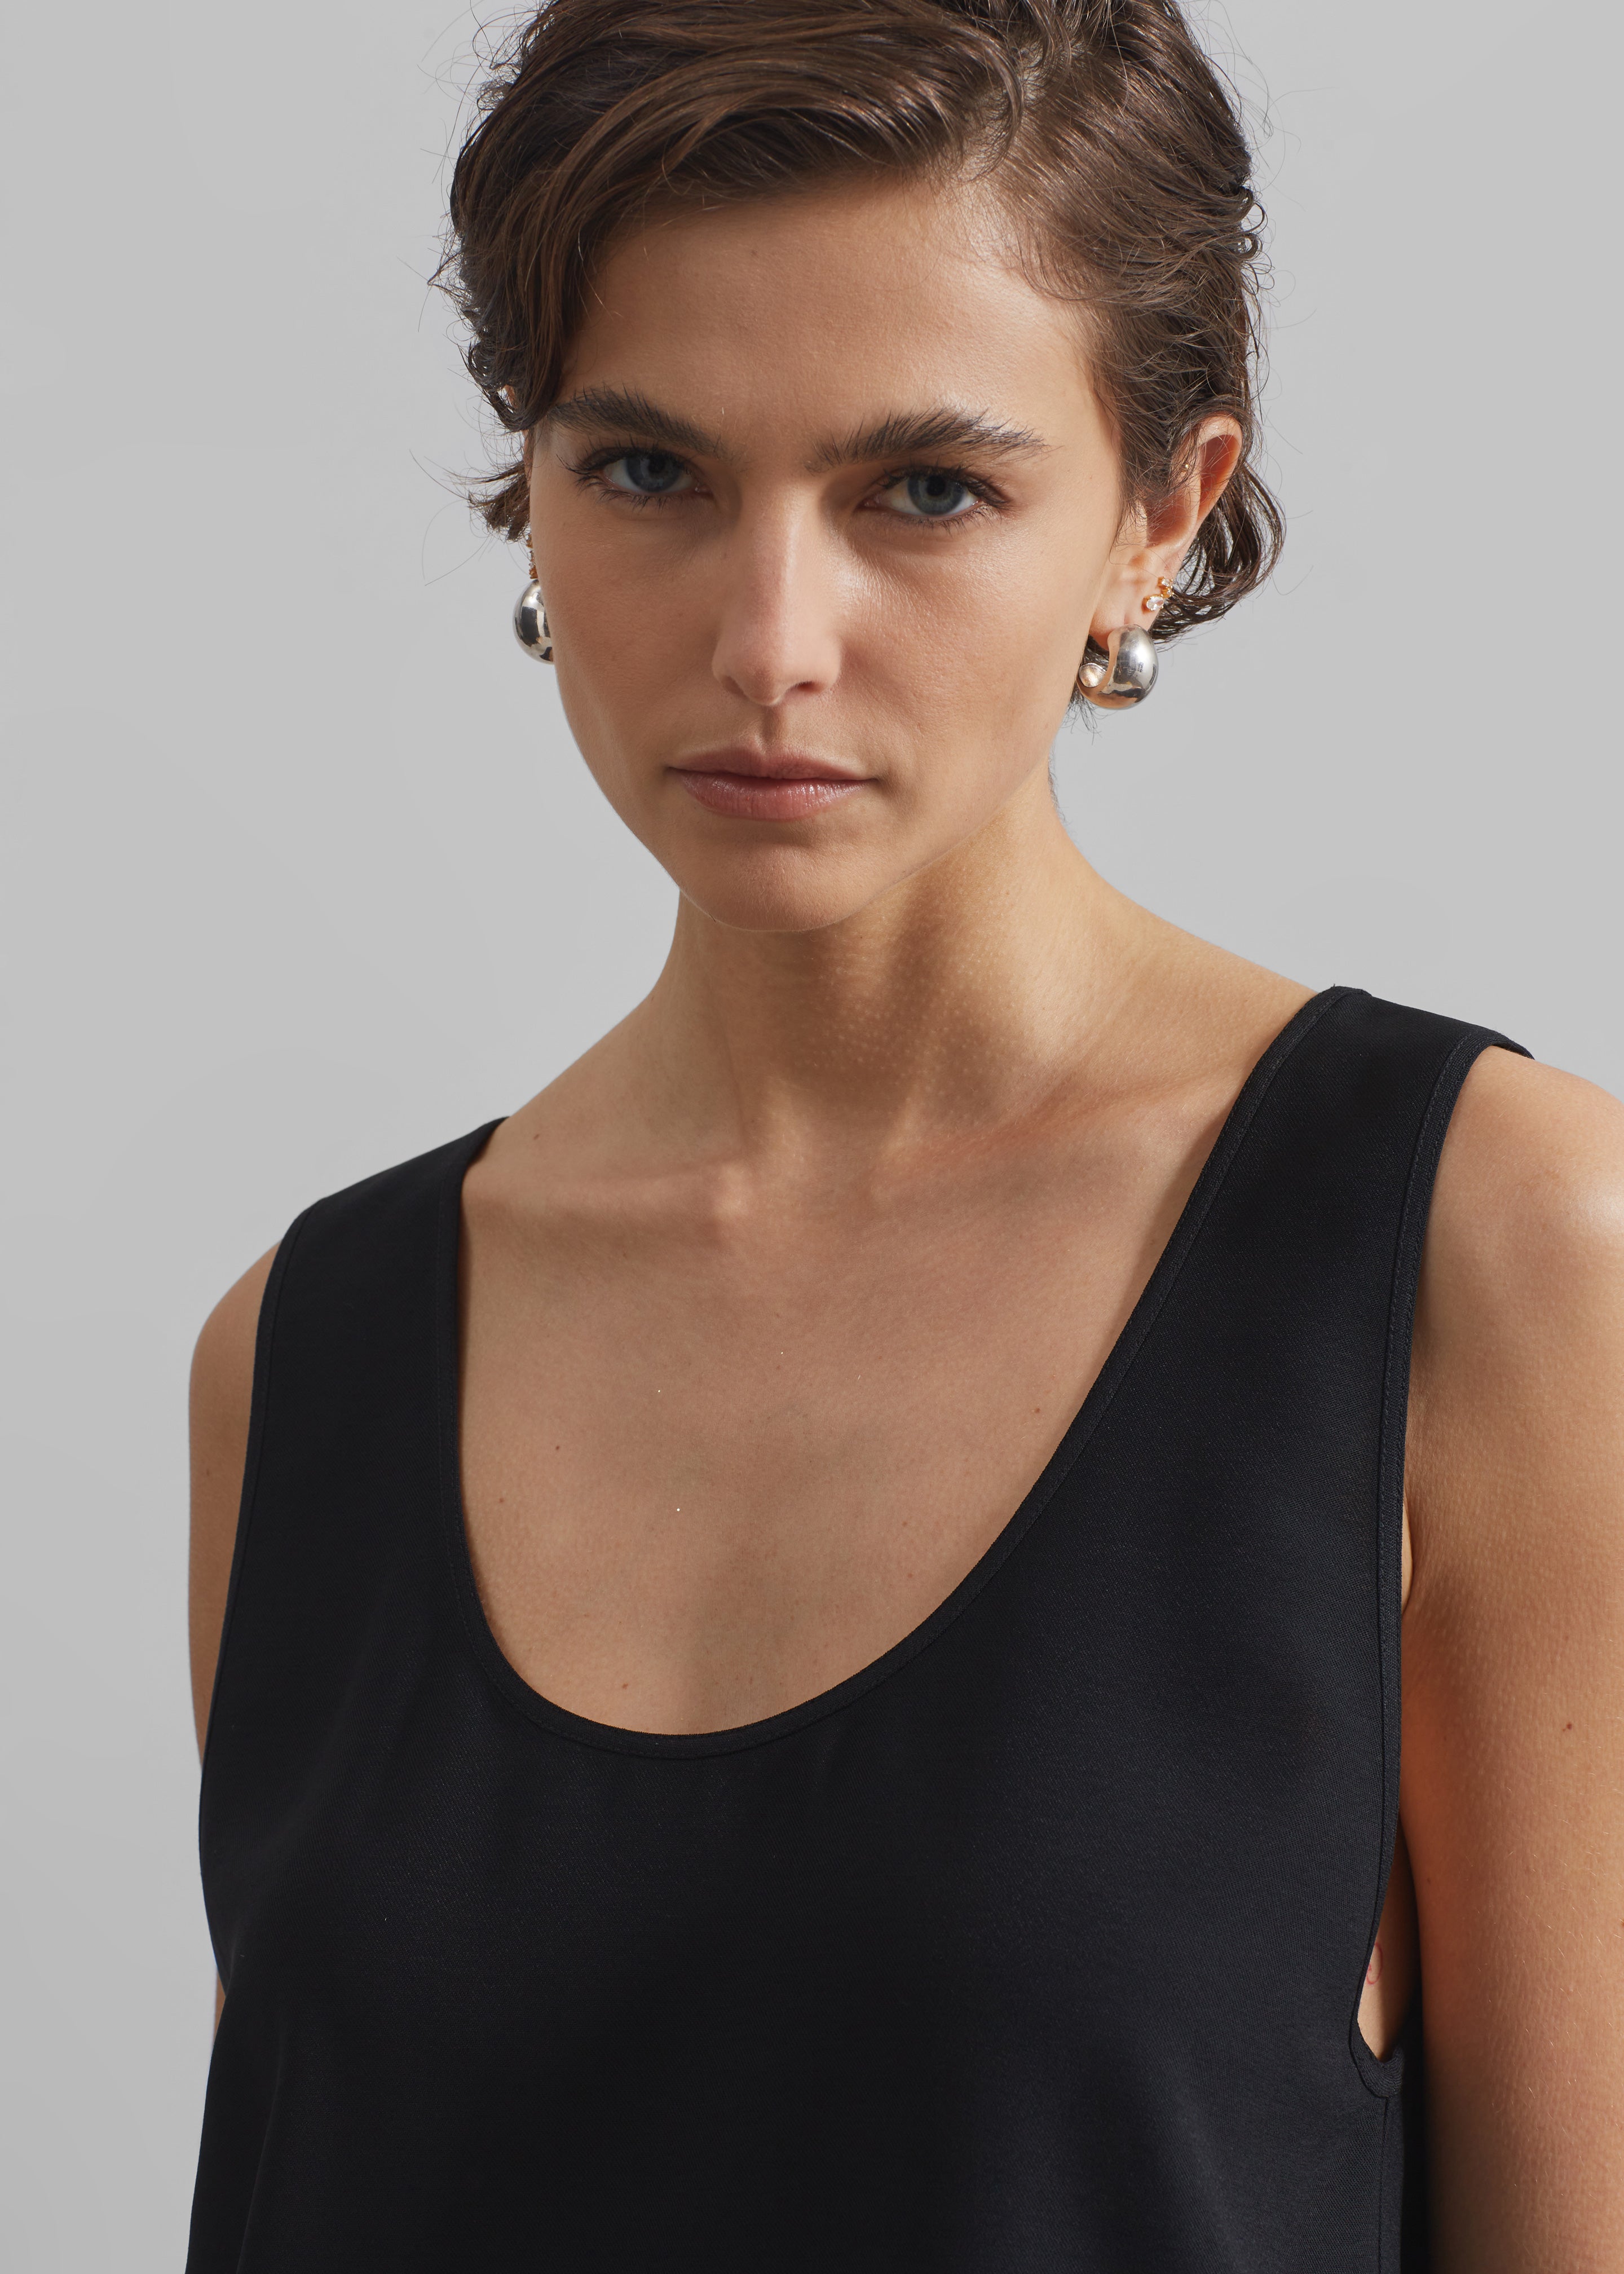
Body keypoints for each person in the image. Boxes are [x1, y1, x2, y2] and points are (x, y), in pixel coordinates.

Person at [183, 2, 1624, 2266]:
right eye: (648, 471)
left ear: (1159, 514)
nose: (772, 639)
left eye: (927, 490)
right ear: (533, 485)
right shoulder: (308, 1352)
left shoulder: (1492, 1251)